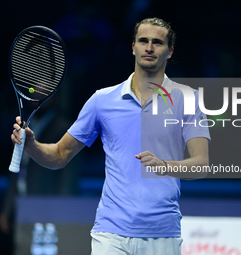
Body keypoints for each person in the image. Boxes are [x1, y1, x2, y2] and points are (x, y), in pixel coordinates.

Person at [11, 17, 210, 255]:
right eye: (143, 41)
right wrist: (32, 146)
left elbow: (201, 164)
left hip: (163, 234)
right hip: (111, 235)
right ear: (132, 47)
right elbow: (60, 155)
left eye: (157, 42)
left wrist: (165, 165)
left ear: (170, 51)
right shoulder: (102, 100)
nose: (149, 47)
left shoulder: (187, 98)